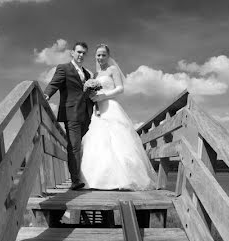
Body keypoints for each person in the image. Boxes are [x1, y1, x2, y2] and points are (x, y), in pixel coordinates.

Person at [80, 44, 156, 191]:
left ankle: (125, 179)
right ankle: (96, 180)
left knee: (118, 141)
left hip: (111, 107)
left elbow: (120, 89)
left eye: (103, 55)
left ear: (108, 56)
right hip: (98, 111)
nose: (100, 57)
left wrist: (104, 95)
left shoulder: (112, 70)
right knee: (97, 141)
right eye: (98, 55)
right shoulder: (94, 76)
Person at [44, 42, 92, 190]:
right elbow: (54, 84)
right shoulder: (63, 68)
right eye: (78, 52)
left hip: (87, 114)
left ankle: (87, 176)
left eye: (84, 53)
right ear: (72, 52)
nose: (81, 55)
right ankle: (75, 180)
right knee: (74, 147)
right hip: (71, 113)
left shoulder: (88, 74)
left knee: (87, 147)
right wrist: (46, 94)